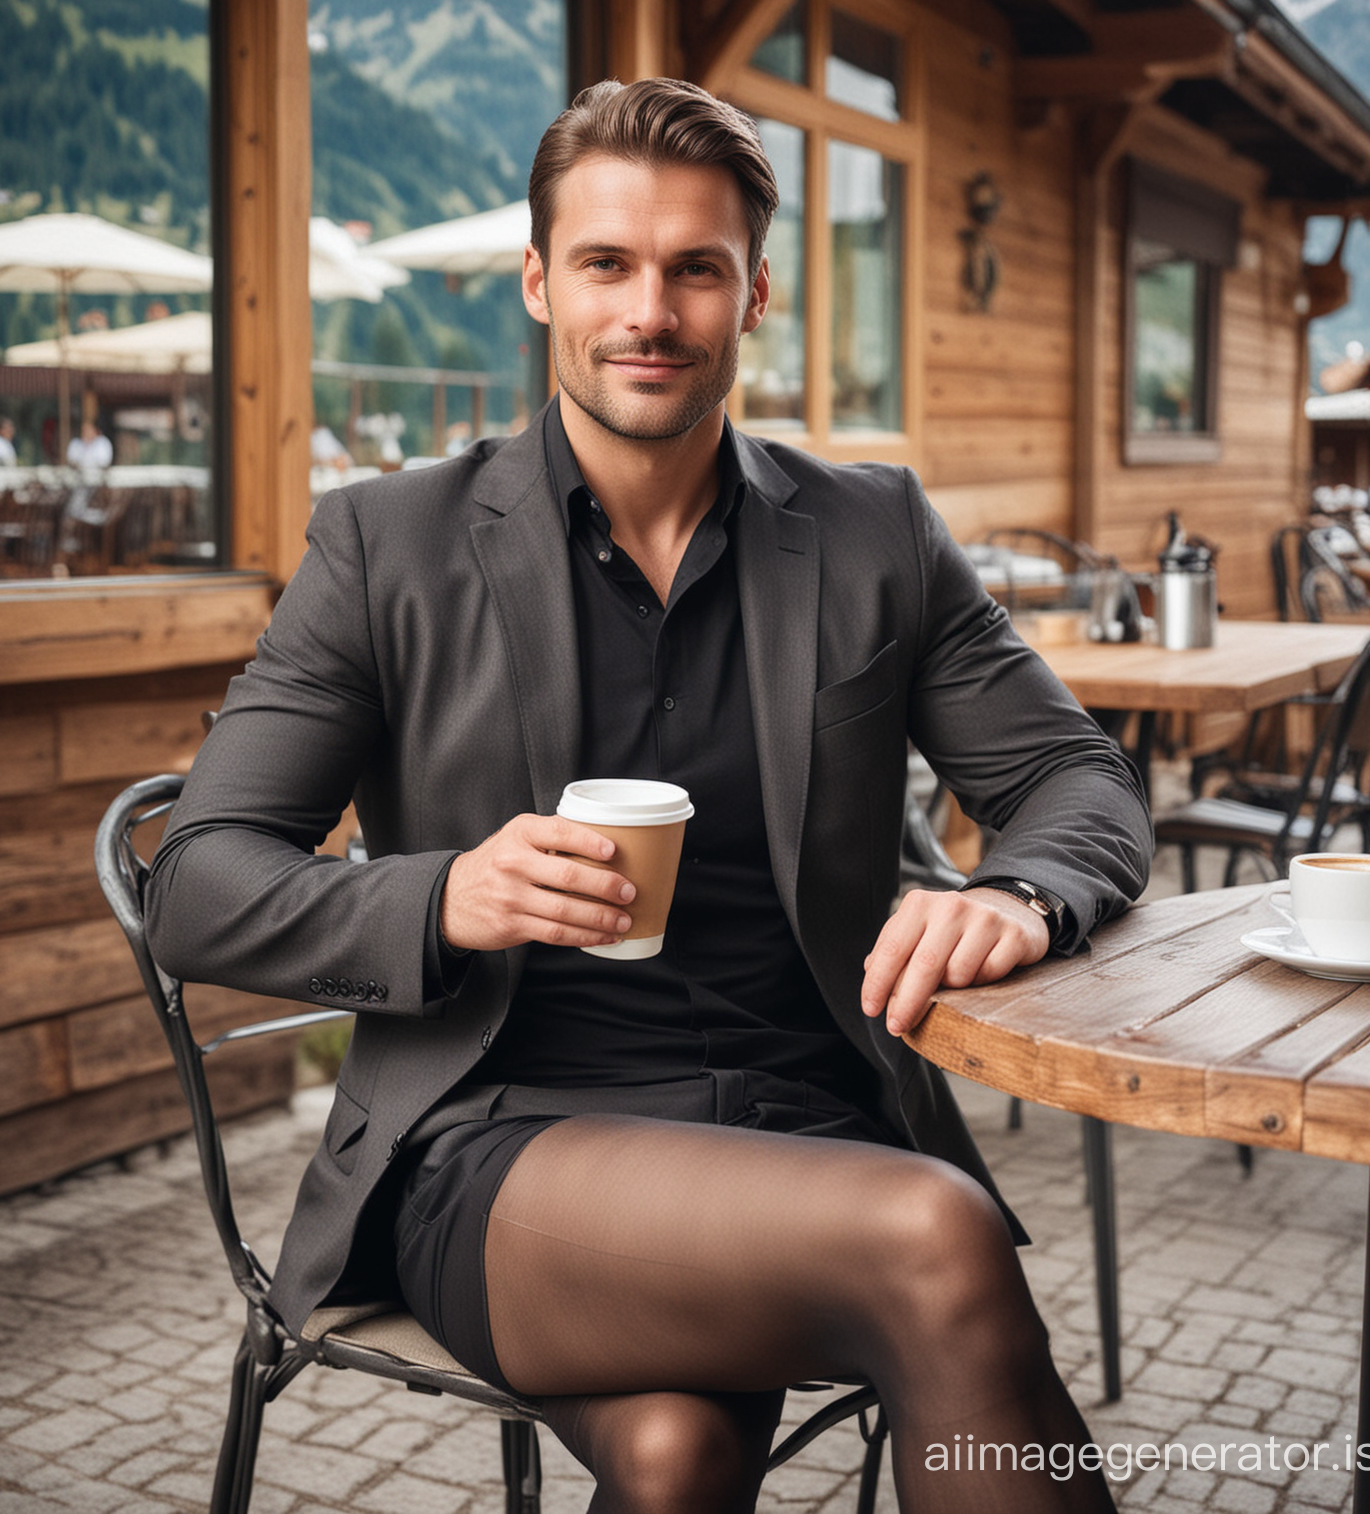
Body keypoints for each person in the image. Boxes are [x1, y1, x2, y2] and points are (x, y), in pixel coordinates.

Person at [147, 78, 1150, 1512]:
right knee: (939, 1240)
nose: (650, 312)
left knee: (677, 1454)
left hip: (801, 1122)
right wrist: (447, 894)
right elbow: (199, 880)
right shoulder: (391, 545)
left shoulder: (875, 534)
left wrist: (1017, 891)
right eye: (609, 265)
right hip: (499, 1138)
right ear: (543, 284)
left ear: (754, 299)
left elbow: (1076, 780)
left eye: (697, 269)